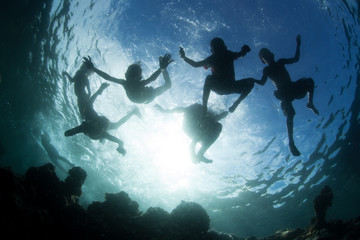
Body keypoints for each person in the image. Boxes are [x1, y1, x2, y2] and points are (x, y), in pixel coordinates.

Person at [256, 34, 319, 156]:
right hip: (283, 93)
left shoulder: (281, 62)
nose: (267, 55)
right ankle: (291, 142)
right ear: (263, 61)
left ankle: (310, 103)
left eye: (267, 53)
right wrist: (251, 80)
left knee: (309, 81)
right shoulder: (267, 70)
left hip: (293, 87)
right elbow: (262, 83)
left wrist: (298, 45)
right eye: (264, 56)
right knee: (290, 114)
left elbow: (296, 59)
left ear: (272, 54)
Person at [179, 37, 256, 113]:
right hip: (223, 86)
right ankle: (205, 106)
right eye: (216, 48)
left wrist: (184, 57)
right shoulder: (224, 55)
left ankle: (236, 103)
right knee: (209, 78)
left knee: (251, 81)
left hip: (228, 86)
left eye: (219, 47)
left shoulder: (225, 55)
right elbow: (241, 54)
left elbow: (196, 64)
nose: (219, 50)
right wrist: (244, 50)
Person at [64, 83, 141, 155]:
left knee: (115, 126)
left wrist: (99, 90)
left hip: (96, 127)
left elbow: (120, 142)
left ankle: (133, 112)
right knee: (115, 126)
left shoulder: (90, 126)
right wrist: (121, 147)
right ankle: (133, 112)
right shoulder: (90, 125)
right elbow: (120, 142)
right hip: (96, 127)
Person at [83, 54, 173, 104]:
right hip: (146, 97)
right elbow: (152, 79)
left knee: (167, 85)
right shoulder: (136, 83)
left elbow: (108, 77)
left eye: (134, 76)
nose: (132, 79)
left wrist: (93, 69)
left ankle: (158, 66)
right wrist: (161, 68)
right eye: (132, 76)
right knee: (168, 85)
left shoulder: (125, 82)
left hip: (142, 97)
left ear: (126, 75)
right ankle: (161, 66)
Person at [155, 103, 228, 163]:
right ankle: (194, 151)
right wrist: (164, 111)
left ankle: (199, 153)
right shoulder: (197, 108)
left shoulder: (209, 119)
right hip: (189, 128)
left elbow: (215, 120)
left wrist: (222, 115)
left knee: (216, 126)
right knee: (202, 130)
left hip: (196, 129)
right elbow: (180, 109)